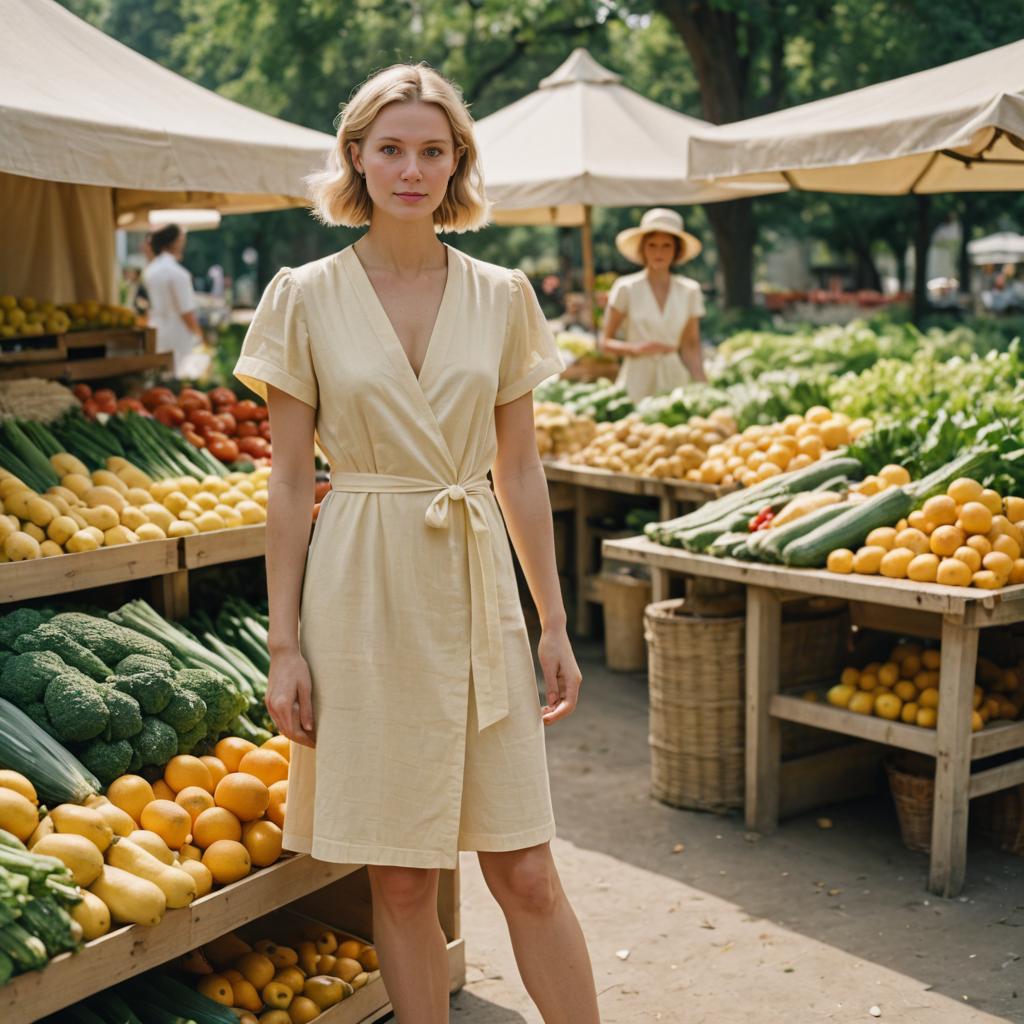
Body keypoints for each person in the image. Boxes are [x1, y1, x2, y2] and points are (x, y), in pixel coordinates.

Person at [233, 63, 599, 1024]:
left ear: (456, 163)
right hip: (359, 584)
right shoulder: (302, 296)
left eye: (432, 150)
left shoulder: (504, 294)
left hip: (476, 581)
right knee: (398, 879)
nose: (410, 167)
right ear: (356, 156)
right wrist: (284, 645)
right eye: (390, 148)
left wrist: (553, 622)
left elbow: (519, 473)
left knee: (523, 868)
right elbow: (285, 484)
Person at [599, 207, 707, 401]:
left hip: (675, 381)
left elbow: (691, 345)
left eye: (666, 245)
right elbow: (605, 342)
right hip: (635, 380)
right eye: (652, 245)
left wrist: (703, 386)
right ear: (643, 248)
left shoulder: (690, 290)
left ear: (676, 250)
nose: (659, 252)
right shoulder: (626, 288)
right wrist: (636, 348)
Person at [142, 223, 205, 376]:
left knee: (159, 376)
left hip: (156, 330)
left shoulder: (149, 271)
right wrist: (200, 335)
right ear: (175, 242)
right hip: (177, 334)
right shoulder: (178, 274)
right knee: (179, 377)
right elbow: (186, 312)